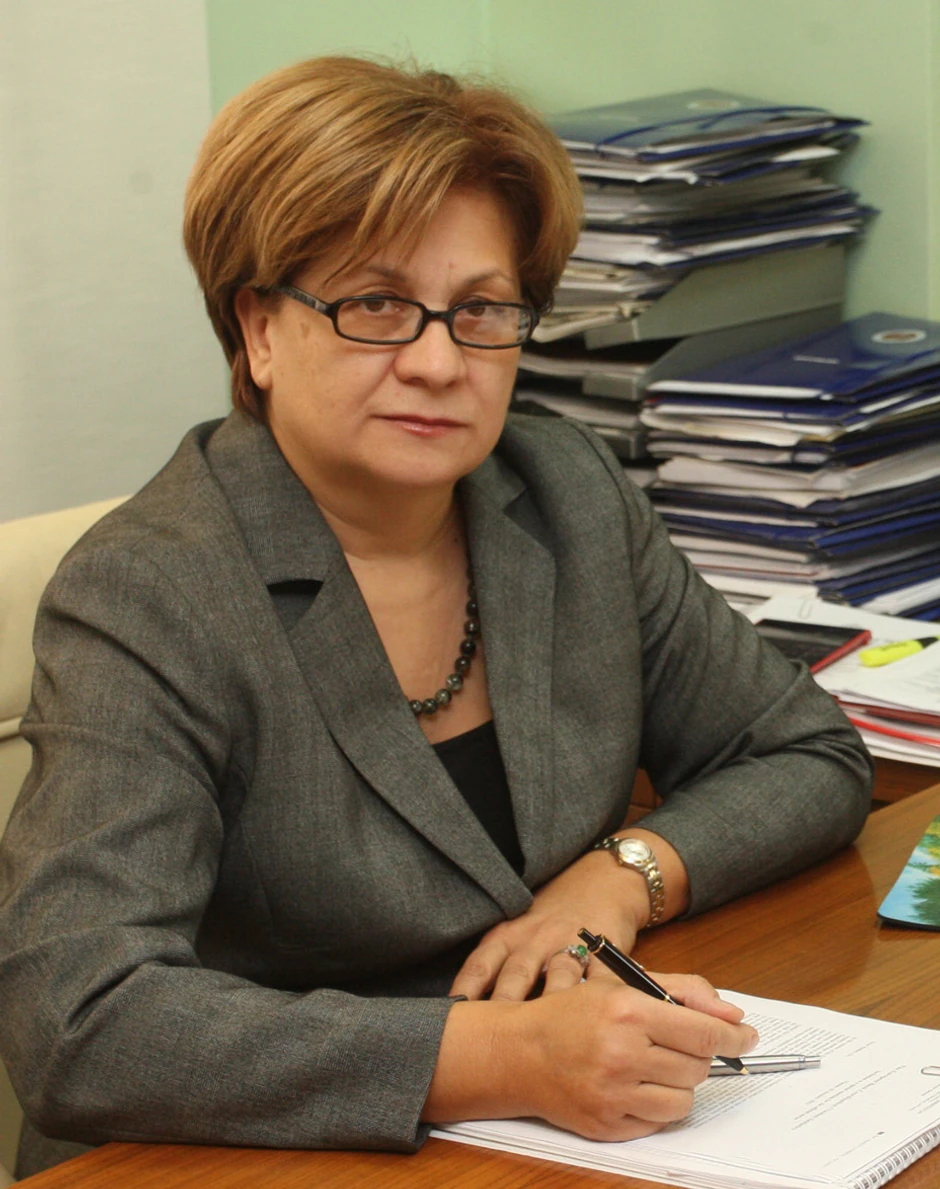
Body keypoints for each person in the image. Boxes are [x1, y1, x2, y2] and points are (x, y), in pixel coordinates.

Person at [0, 55, 872, 1178]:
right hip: (240, 1153)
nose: (437, 360)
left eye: (481, 310)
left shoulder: (564, 493)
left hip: (534, 1138)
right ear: (258, 329)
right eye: (374, 305)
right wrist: (502, 1056)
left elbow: (804, 751)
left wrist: (621, 873)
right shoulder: (151, 589)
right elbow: (80, 1019)